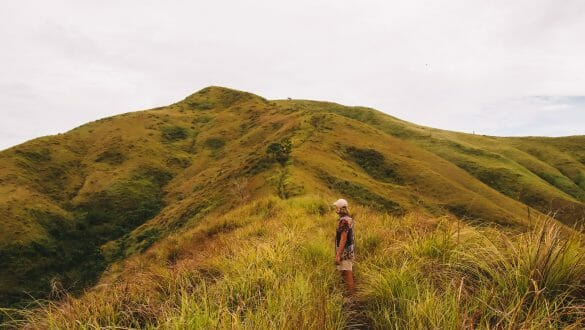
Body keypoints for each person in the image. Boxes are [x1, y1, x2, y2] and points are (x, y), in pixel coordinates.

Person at [333, 198, 355, 295]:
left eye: (336, 207)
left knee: (347, 272)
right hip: (348, 249)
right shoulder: (347, 218)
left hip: (345, 251)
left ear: (340, 208)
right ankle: (348, 295)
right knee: (345, 271)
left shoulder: (344, 221)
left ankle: (351, 297)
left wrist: (338, 254)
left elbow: (343, 238)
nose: (335, 209)